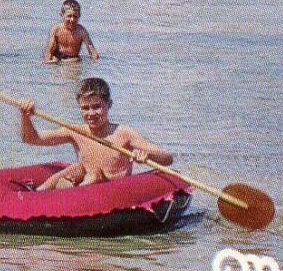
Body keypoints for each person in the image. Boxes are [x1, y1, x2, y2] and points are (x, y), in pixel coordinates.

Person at [17, 77, 172, 191]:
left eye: (97, 106)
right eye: (85, 108)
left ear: (109, 104)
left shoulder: (123, 133)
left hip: (113, 194)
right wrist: (25, 116)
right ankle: (38, 194)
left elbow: (166, 159)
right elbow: (31, 138)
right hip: (85, 191)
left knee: (94, 175)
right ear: (79, 108)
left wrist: (146, 155)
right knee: (74, 170)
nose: (91, 113)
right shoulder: (76, 132)